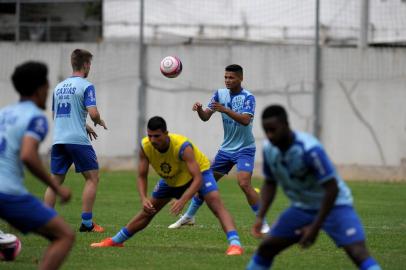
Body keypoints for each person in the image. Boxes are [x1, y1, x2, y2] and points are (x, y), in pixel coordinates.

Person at [246, 104, 381, 270]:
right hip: (302, 208)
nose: (269, 135)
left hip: (335, 205)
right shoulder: (269, 149)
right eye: (266, 131)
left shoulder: (310, 149)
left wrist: (315, 227)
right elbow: (270, 182)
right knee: (267, 248)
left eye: (273, 130)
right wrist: (260, 216)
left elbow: (332, 188)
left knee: (357, 252)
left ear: (286, 125)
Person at [91, 116, 243, 255]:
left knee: (216, 204)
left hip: (200, 174)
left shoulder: (183, 146)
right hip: (172, 178)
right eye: (150, 135)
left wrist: (183, 200)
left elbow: (197, 178)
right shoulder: (145, 147)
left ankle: (235, 244)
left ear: (166, 133)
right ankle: (115, 241)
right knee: (148, 210)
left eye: (156, 136)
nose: (152, 140)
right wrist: (143, 198)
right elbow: (141, 175)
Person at [169, 64, 270, 233]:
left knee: (244, 183)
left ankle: (262, 222)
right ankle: (189, 217)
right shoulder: (219, 93)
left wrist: (224, 109)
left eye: (231, 77)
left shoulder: (248, 97)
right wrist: (200, 110)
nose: (227, 81)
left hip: (245, 148)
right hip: (226, 150)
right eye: (226, 77)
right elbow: (206, 117)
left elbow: (245, 120)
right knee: (205, 182)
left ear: (240, 78)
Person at [0, 61, 75, 269]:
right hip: (8, 193)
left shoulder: (4, 113)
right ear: (40, 88)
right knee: (65, 235)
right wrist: (57, 187)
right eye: (47, 87)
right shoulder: (36, 118)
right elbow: (28, 155)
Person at [44, 49, 107, 233]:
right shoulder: (86, 86)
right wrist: (96, 121)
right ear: (86, 64)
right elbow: (93, 112)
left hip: (59, 140)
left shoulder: (58, 87)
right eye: (90, 64)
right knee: (92, 178)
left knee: (55, 181)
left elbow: (58, 115)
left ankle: (45, 222)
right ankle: (87, 224)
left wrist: (84, 125)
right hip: (77, 141)